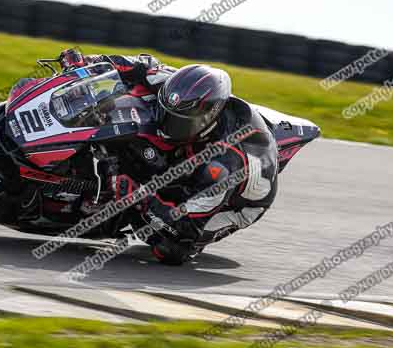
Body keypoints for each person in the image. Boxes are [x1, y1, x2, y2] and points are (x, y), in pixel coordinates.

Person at [57, 49, 279, 265]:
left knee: (169, 248)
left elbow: (184, 227)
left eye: (178, 122)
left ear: (207, 120)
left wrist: (139, 195)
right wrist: (87, 63)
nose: (166, 125)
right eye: (166, 114)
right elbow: (141, 66)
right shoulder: (178, 89)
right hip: (202, 149)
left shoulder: (221, 166)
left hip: (235, 204)